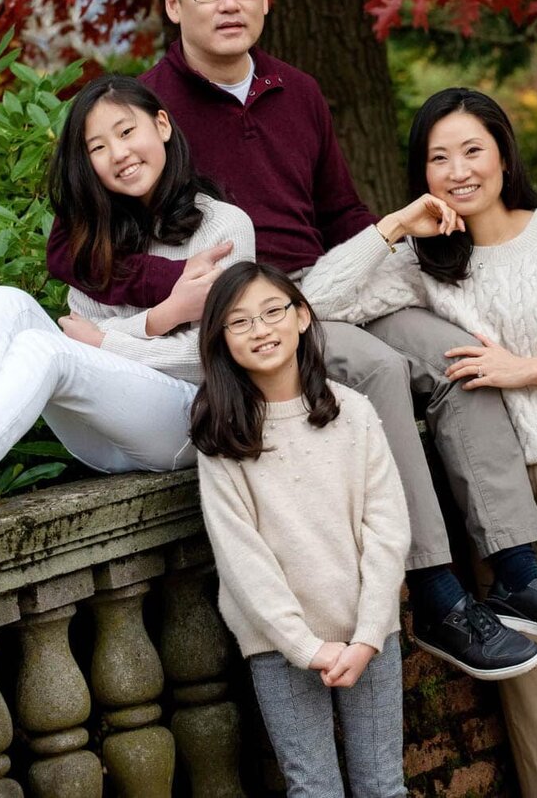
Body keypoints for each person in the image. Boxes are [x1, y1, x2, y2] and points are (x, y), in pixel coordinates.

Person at [46, 0, 537, 679]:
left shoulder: (296, 90)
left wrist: (413, 262)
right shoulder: (150, 111)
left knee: (456, 351)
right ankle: (439, 595)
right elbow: (79, 245)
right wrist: (173, 291)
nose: (228, 1)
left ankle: (518, 571)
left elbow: (341, 211)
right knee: (376, 369)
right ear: (175, 5)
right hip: (262, 314)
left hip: (339, 281)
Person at [301, 87, 537, 798]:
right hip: (492, 498)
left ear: (504, 153)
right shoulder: (420, 266)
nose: (457, 170)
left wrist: (532, 369)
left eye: (472, 150)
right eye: (437, 157)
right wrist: (394, 225)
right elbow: (313, 307)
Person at [193, 260, 410, 798]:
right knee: (313, 787)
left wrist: (366, 636)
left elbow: (387, 528)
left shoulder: (353, 412)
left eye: (272, 312)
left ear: (303, 317)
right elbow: (241, 556)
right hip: (277, 642)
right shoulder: (223, 436)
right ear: (221, 340)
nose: (260, 329)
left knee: (384, 786)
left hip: (369, 633)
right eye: (239, 322)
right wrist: (304, 645)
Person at [0, 75, 255, 473]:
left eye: (127, 131)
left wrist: (107, 341)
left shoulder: (223, 227)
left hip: (189, 422)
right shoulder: (94, 238)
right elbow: (84, 337)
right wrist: (164, 317)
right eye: (98, 147)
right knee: (5, 300)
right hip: (100, 434)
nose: (118, 153)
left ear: (161, 125)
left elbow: (214, 356)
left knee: (43, 348)